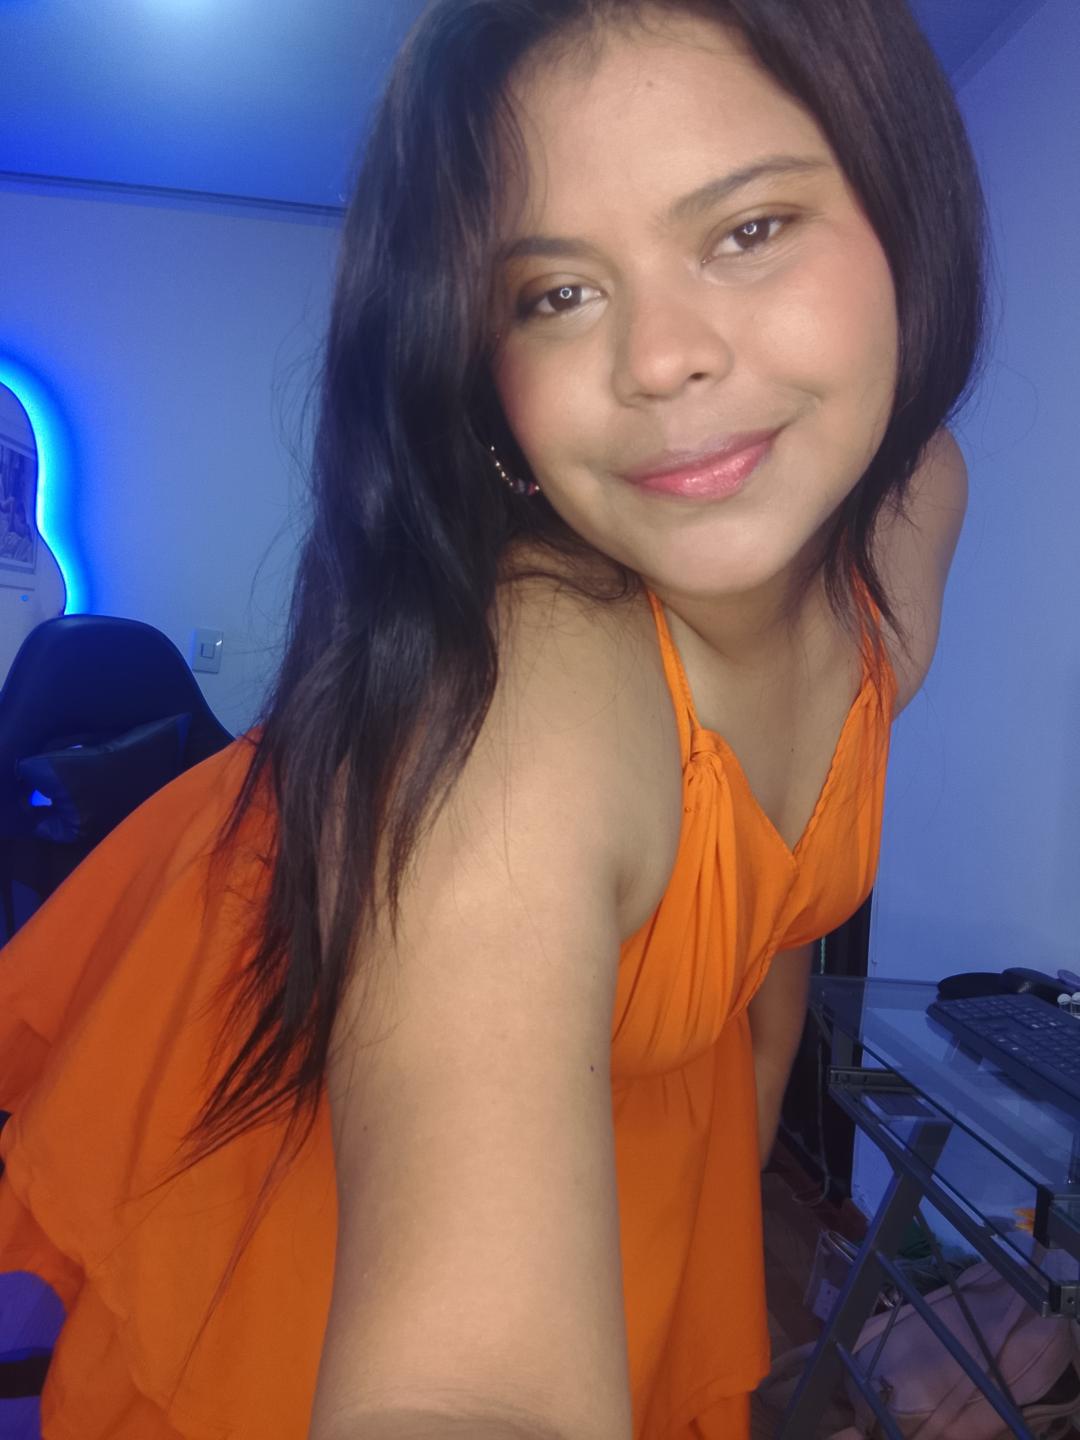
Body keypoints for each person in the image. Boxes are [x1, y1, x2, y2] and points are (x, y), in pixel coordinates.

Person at [0, 0, 984, 1436]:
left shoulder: (912, 501)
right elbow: (466, 1390)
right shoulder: (528, 703)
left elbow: (771, 929)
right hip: (303, 1007)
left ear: (901, 209)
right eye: (556, 293)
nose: (660, 358)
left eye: (750, 229)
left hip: (628, 1086)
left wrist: (744, 1147)